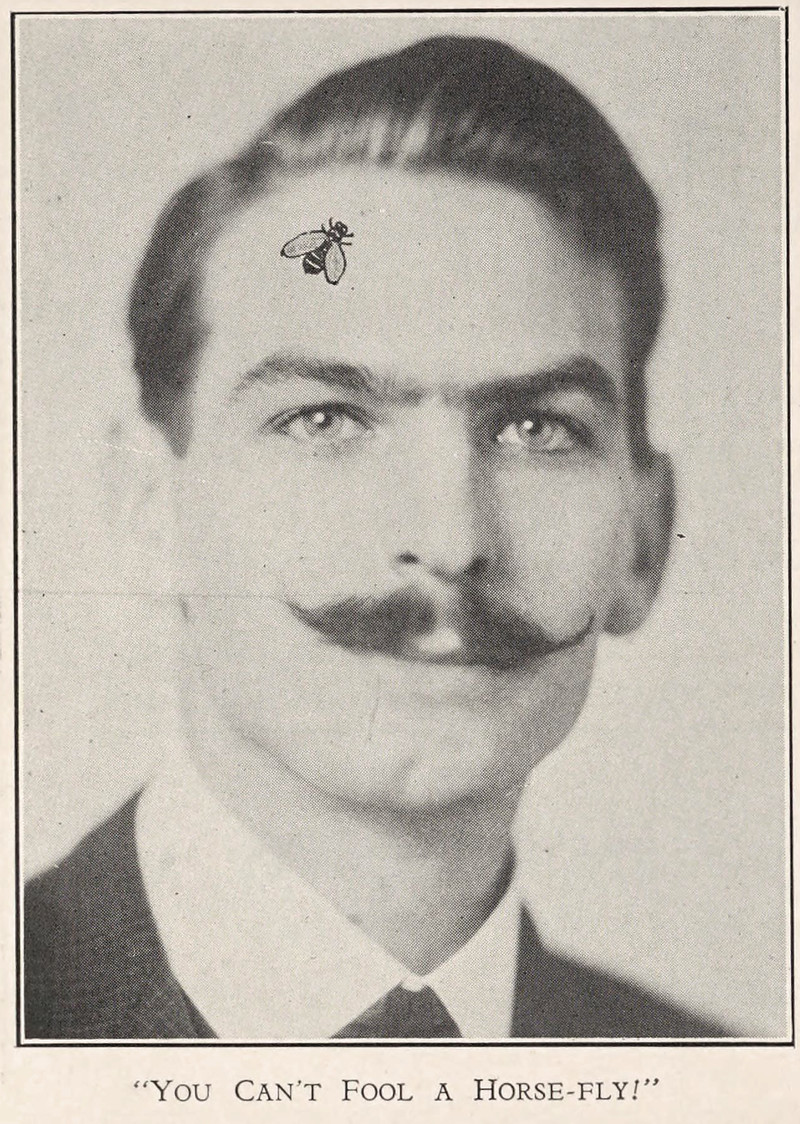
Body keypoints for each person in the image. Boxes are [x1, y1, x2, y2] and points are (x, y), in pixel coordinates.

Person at [24, 33, 730, 1040]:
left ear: (644, 540)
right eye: (324, 420)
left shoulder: (714, 1073)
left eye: (537, 428)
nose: (449, 538)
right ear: (150, 507)